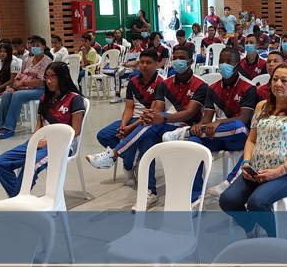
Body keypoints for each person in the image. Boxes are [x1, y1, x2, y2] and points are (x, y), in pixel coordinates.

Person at [86, 47, 208, 211]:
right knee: (147, 140)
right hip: (162, 125)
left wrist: (161, 118)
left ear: (191, 61)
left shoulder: (200, 85)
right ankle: (150, 193)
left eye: (182, 58)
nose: (178, 61)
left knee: (152, 126)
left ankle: (114, 154)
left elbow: (190, 113)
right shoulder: (166, 84)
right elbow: (154, 110)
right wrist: (132, 125)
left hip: (186, 126)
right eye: (175, 58)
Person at [219, 63, 287, 238]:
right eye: (275, 79)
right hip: (256, 171)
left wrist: (277, 172)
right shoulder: (261, 107)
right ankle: (251, 227)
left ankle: (276, 239)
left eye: (284, 80)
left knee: (257, 203)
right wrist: (246, 163)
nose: (278, 83)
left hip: (286, 175)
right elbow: (251, 140)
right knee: (227, 200)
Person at [164, 47, 257, 207]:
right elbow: (207, 118)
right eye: (221, 61)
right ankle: (195, 198)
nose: (224, 65)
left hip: (239, 137)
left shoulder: (248, 88)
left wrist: (218, 122)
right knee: (193, 143)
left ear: (237, 65)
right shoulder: (212, 88)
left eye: (229, 62)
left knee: (239, 127)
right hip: (216, 135)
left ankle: (183, 132)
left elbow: (243, 118)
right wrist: (199, 127)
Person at [0, 62, 85, 197]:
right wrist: (35, 140)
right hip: (40, 142)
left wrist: (46, 143)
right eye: (47, 77)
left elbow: (75, 131)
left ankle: (18, 201)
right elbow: (39, 126)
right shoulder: (44, 99)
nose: (49, 81)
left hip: (62, 144)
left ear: (62, 77)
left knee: (31, 165)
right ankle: (19, 198)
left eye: (53, 77)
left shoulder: (74, 99)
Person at [89, 49, 164, 186]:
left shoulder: (161, 83)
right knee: (104, 135)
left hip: (151, 124)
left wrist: (130, 128)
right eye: (141, 62)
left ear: (156, 64)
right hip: (133, 120)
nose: (144, 65)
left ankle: (137, 174)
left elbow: (153, 114)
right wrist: (124, 125)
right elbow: (129, 108)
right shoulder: (133, 81)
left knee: (145, 141)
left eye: (148, 62)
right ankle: (130, 162)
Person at [0, 36, 53, 139]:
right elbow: (19, 75)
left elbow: (41, 80)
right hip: (23, 87)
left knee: (17, 96)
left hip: (39, 89)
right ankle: (0, 125)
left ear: (43, 47)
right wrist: (16, 82)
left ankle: (9, 127)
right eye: (33, 46)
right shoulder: (27, 61)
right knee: (6, 94)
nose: (34, 48)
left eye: (37, 46)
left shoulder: (47, 61)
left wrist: (23, 83)